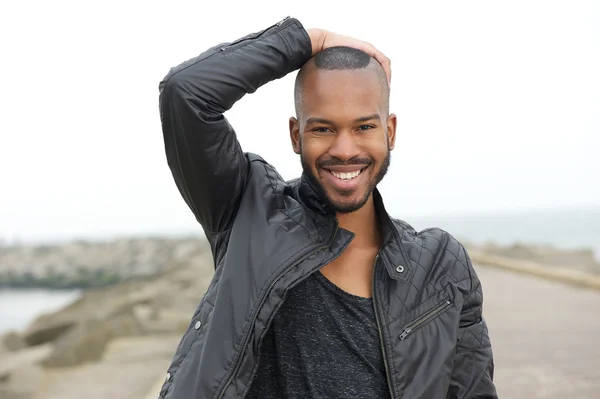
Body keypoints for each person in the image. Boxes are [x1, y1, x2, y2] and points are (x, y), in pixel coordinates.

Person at [157, 16, 497, 399]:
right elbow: (186, 92)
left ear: (390, 132)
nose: (345, 150)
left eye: (364, 127)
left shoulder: (441, 264)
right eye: (323, 129)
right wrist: (308, 40)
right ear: (296, 135)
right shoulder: (248, 212)